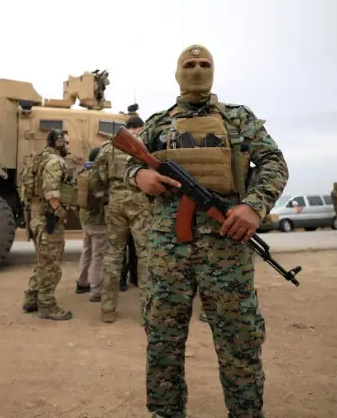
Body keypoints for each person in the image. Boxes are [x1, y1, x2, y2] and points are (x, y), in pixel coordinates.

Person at [124, 44, 289, 417]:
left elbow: (273, 163)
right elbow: (124, 163)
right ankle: (166, 412)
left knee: (239, 338)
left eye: (204, 64)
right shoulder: (158, 123)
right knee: (163, 339)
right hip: (168, 250)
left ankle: (246, 412)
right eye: (189, 64)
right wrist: (140, 175)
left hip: (227, 244)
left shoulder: (238, 119)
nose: (197, 70)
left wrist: (253, 205)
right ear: (177, 72)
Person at [91, 116, 152, 324]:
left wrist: (104, 195)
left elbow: (95, 178)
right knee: (145, 255)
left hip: (115, 201)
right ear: (140, 128)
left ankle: (108, 309)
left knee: (113, 254)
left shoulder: (108, 147)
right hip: (139, 200)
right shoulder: (144, 145)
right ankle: (147, 311)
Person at [21, 129, 75, 321]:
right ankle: (47, 305)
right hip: (48, 218)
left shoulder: (39, 159)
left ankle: (31, 298)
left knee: (42, 261)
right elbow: (52, 193)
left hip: (36, 216)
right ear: (59, 143)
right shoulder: (54, 162)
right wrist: (60, 212)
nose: (68, 147)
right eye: (66, 143)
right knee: (51, 264)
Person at [75, 147, 108, 301]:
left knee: (86, 250)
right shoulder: (98, 176)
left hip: (84, 219)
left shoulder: (82, 173)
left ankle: (81, 282)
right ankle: (96, 292)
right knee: (98, 256)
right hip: (98, 221)